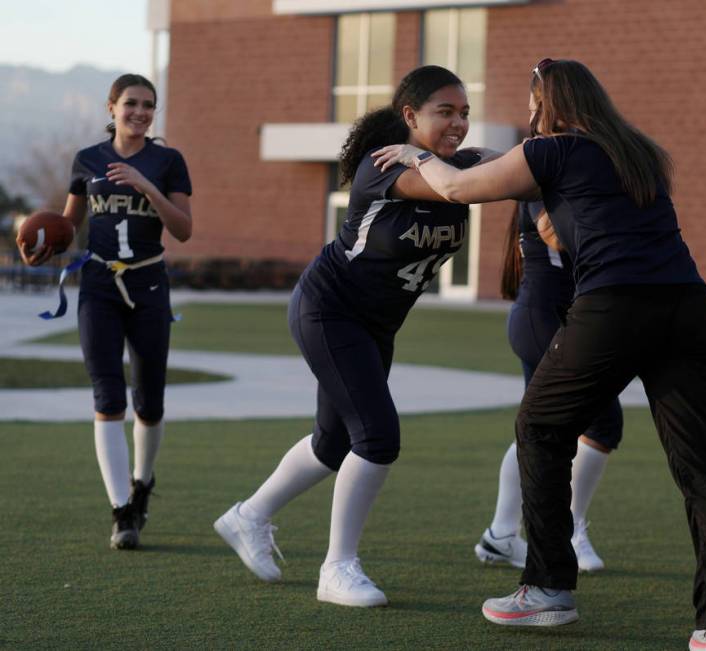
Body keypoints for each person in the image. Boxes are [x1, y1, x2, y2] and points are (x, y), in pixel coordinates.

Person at [374, 58, 706, 651]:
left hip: (615, 308)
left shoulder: (551, 149)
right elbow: (589, 224)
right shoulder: (641, 151)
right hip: (688, 307)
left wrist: (414, 155)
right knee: (703, 466)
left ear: (546, 103)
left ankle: (549, 588)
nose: (529, 114)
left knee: (539, 424)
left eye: (533, 103)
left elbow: (456, 188)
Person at [214, 66, 486, 607]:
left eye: (464, 113)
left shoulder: (456, 163)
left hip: (376, 324)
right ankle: (336, 568)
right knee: (378, 437)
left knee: (333, 443)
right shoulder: (382, 166)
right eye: (444, 112)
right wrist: (424, 158)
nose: (458, 123)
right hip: (330, 310)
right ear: (409, 117)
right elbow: (450, 187)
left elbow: (507, 170)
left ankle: (248, 516)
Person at [19, 73, 193, 550]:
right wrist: (42, 247)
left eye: (148, 105)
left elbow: (182, 230)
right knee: (107, 397)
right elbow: (68, 225)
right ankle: (121, 511)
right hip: (98, 283)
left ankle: (143, 482)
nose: (140, 112)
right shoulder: (89, 159)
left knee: (150, 402)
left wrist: (146, 186)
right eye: (131, 103)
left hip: (149, 282)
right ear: (111, 107)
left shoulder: (168, 161)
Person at [475, 200, 623, 573]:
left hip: (554, 316)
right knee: (602, 424)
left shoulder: (557, 170)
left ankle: (501, 534)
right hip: (544, 318)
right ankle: (569, 531)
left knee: (540, 428)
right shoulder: (547, 174)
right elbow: (555, 235)